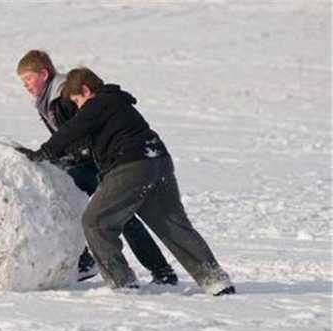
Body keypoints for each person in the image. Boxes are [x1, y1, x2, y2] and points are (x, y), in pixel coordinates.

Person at [17, 67, 235, 296]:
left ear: (85, 90)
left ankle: (123, 283)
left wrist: (41, 154)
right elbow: (81, 138)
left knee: (95, 222)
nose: (79, 107)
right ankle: (215, 280)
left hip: (131, 166)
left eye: (77, 101)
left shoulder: (98, 103)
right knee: (172, 224)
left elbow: (73, 129)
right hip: (157, 159)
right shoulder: (117, 103)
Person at [16, 50, 178, 285]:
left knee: (117, 215)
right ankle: (93, 260)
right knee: (78, 203)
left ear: (43, 73)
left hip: (99, 162)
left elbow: (82, 129)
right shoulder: (46, 99)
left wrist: (54, 155)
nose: (26, 86)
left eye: (28, 79)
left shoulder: (62, 95)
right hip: (87, 161)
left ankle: (158, 271)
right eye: (23, 82)